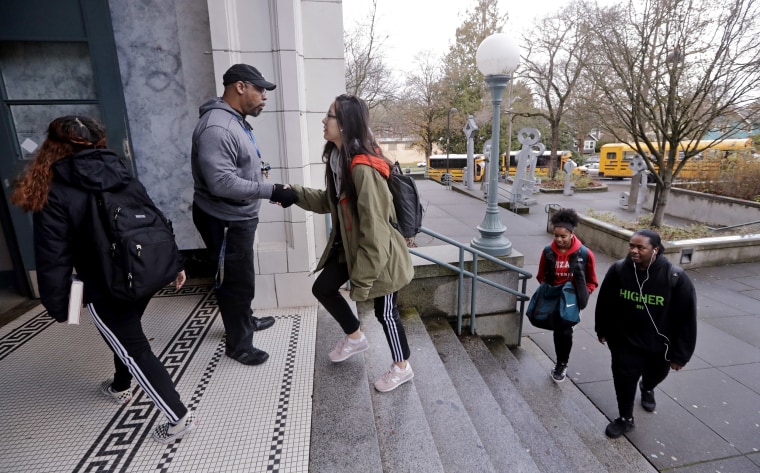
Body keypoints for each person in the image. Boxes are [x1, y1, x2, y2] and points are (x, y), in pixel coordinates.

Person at [11, 115, 196, 444]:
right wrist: (176, 263)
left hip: (106, 285)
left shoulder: (55, 188)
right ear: (98, 141)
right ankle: (120, 386)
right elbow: (157, 222)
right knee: (124, 334)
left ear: (53, 146)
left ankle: (178, 418)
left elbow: (54, 258)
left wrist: (61, 306)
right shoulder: (121, 172)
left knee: (133, 347)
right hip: (142, 274)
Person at [289, 94, 415, 392]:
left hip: (381, 256)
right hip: (355, 249)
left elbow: (375, 229)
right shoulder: (338, 160)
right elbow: (329, 202)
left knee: (386, 313)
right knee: (323, 288)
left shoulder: (361, 168)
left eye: (329, 116)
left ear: (345, 124)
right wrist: (291, 193)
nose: (323, 120)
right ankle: (355, 337)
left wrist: (362, 279)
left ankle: (402, 367)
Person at [191, 64, 298, 366]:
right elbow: (221, 182)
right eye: (260, 89)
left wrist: (265, 187)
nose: (264, 96)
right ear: (240, 87)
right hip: (224, 220)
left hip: (235, 217)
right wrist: (271, 191)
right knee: (235, 281)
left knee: (240, 276)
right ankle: (239, 345)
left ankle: (245, 320)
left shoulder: (235, 121)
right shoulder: (218, 127)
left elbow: (240, 169)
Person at [595, 229, 697, 438]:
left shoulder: (675, 277)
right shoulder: (619, 270)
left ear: (655, 250)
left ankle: (648, 386)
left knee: (657, 374)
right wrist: (602, 328)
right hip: (624, 341)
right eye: (631, 245)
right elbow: (605, 302)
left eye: (640, 247)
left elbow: (687, 319)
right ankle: (625, 419)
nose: (634, 250)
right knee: (623, 380)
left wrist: (680, 355)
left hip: (659, 347)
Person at [536, 208, 598, 382]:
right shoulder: (548, 252)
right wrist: (551, 292)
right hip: (554, 299)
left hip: (573, 301)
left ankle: (562, 363)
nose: (559, 240)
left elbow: (592, 281)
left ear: (572, 233)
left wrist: (581, 295)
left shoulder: (584, 254)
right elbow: (541, 275)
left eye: (563, 236)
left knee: (564, 332)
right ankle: (561, 362)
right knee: (559, 331)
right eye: (556, 236)